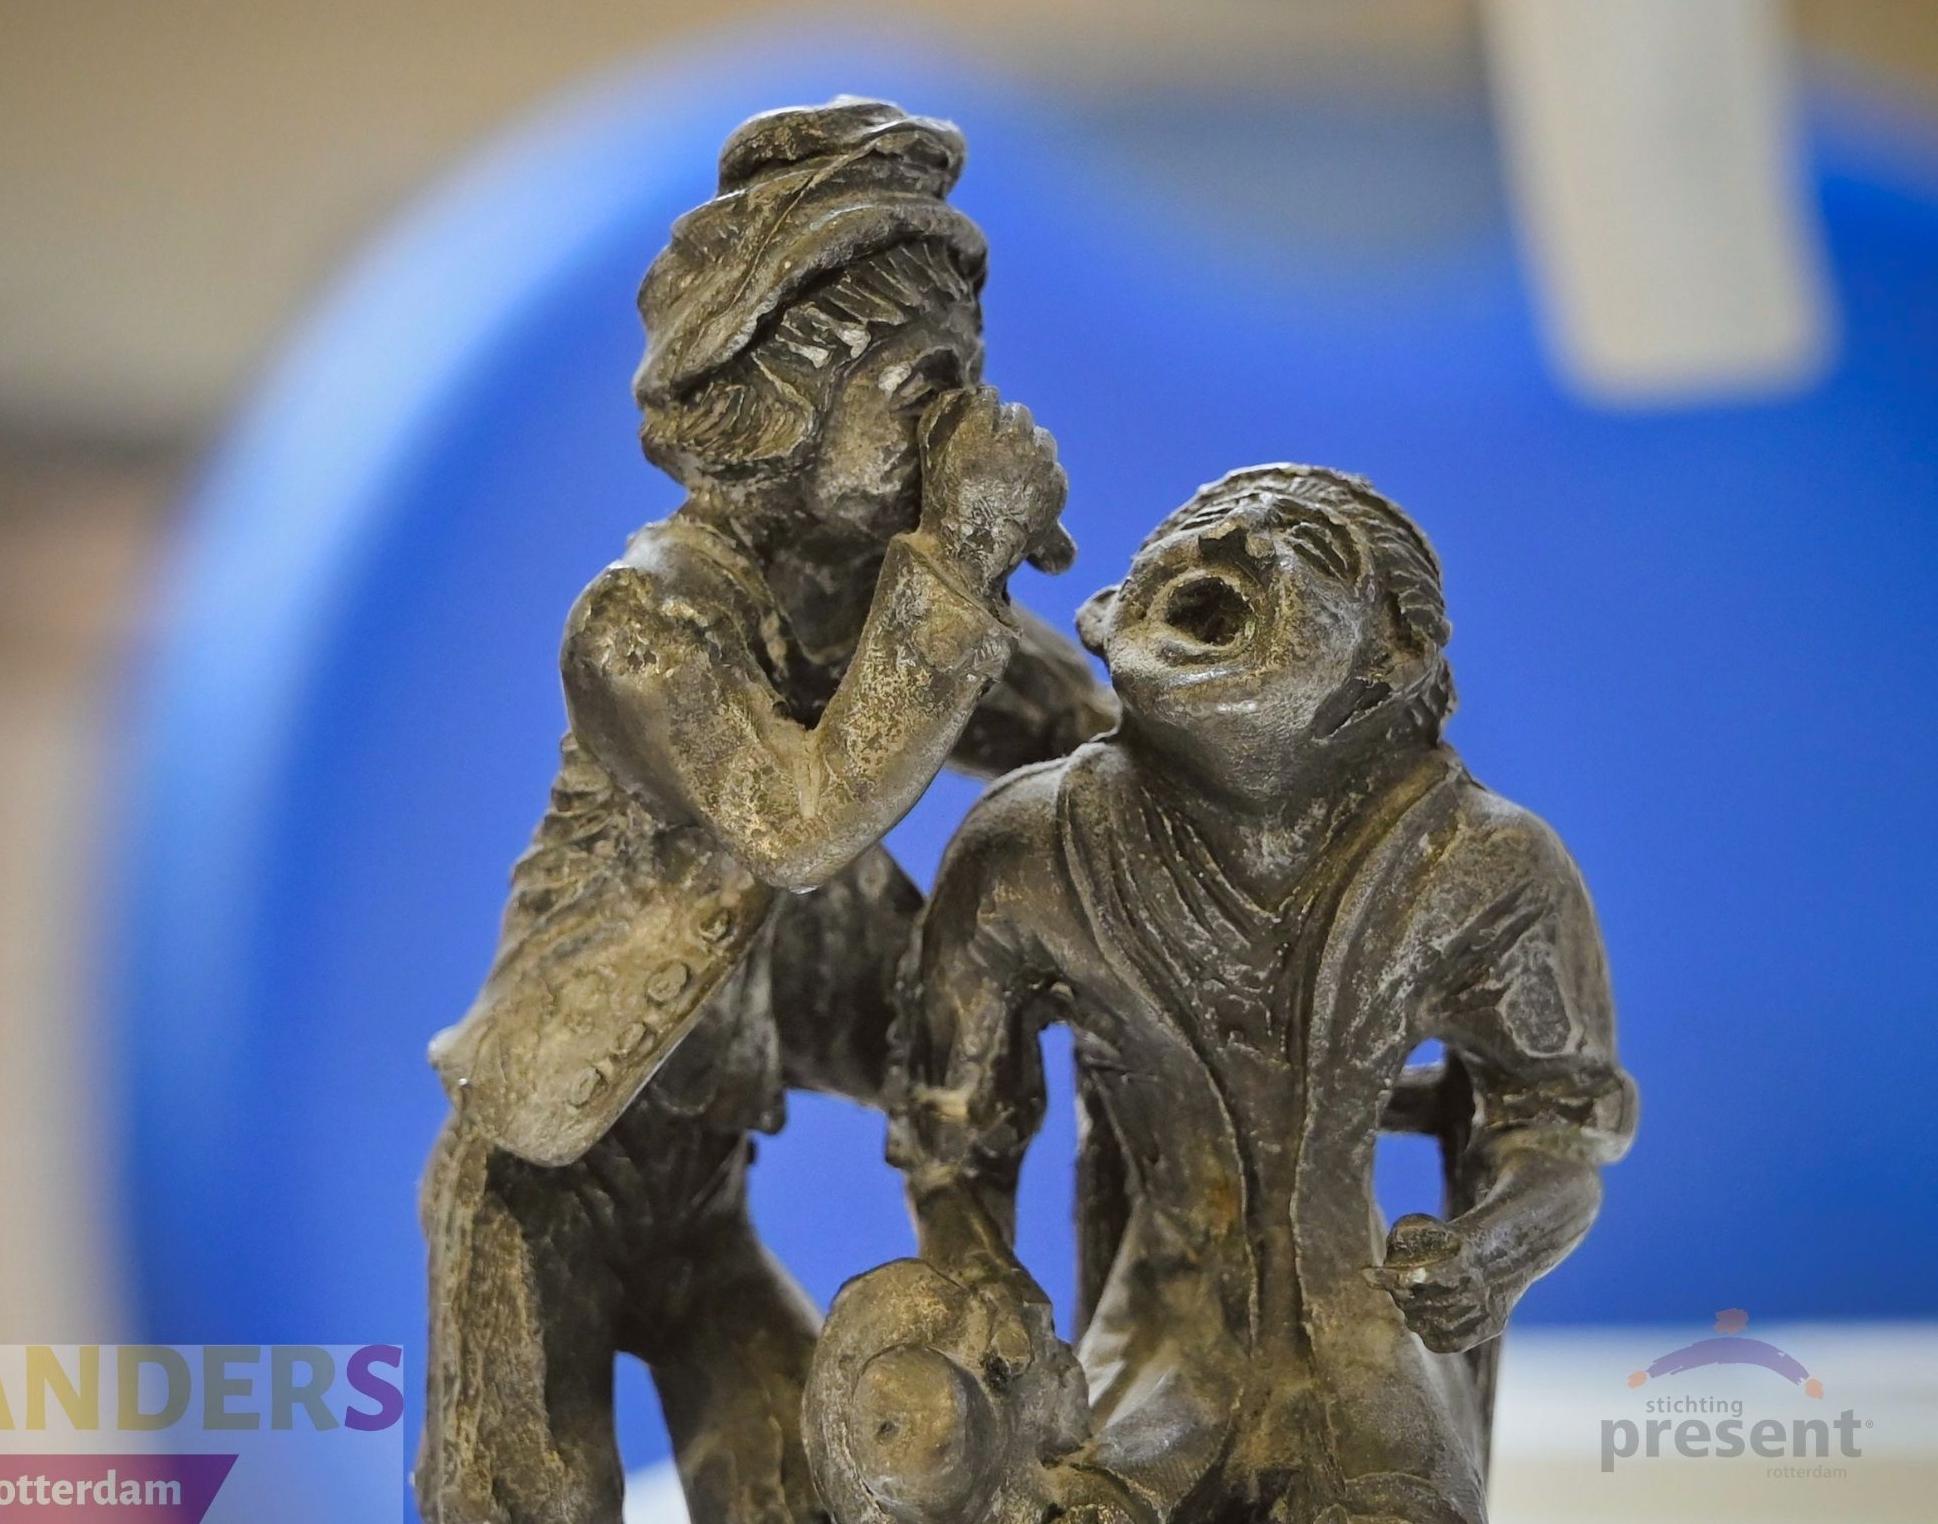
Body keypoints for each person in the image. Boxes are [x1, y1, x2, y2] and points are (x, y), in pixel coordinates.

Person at [416, 98, 1113, 1524]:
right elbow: (800, 823)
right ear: (778, 415)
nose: (955, 431)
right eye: (921, 393)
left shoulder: (873, 602)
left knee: (794, 1489)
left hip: (698, 1196)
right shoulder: (641, 624)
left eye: (967, 386)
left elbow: (1069, 728)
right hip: (541, 1186)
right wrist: (961, 553)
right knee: (534, 1497)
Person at [827, 465, 1635, 1524]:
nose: (1237, 538)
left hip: (1366, 1355)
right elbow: (951, 1143)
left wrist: (1488, 1255)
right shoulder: (1028, 850)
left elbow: (1556, 1128)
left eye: (1309, 542)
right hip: (1148, 1355)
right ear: (1107, 617)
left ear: (1391, 660)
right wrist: (981, 1290)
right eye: (1200, 526)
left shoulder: (1479, 867)